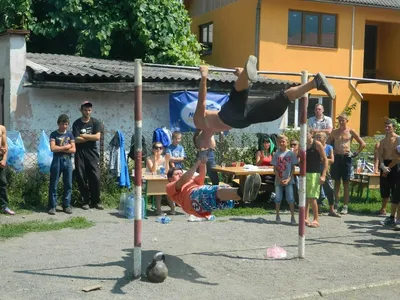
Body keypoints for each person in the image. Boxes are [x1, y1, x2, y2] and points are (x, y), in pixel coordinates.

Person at [194, 55, 336, 150]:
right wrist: (204, 77)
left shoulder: (210, 129)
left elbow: (237, 105)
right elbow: (201, 101)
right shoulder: (199, 123)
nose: (208, 146)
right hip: (230, 116)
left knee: (283, 98)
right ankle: (245, 76)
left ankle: (315, 82)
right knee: (237, 95)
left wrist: (242, 79)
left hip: (243, 120)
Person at [166, 155, 261, 219]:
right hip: (191, 200)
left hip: (200, 200)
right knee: (213, 191)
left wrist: (203, 164)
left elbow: (202, 176)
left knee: (225, 193)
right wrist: (197, 164)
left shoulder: (192, 180)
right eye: (176, 174)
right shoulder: (170, 186)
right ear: (170, 178)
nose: (180, 175)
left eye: (180, 173)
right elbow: (183, 179)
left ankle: (244, 194)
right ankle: (243, 190)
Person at [327, 113, 365, 215]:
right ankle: (336, 204)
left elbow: (363, 143)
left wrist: (354, 153)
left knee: (346, 183)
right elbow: (327, 143)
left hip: (347, 158)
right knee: (337, 183)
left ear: (346, 121)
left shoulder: (350, 131)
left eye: (343, 120)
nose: (341, 122)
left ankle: (345, 206)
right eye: (339, 120)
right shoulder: (335, 132)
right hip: (337, 158)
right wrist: (331, 152)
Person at [72, 101, 103, 210]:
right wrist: (90, 136)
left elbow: (97, 137)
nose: (87, 112)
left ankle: (96, 201)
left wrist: (84, 135)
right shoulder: (76, 123)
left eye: (89, 110)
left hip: (92, 153)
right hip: (80, 153)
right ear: (81, 110)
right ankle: (85, 201)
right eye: (85, 109)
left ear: (91, 110)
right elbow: (76, 139)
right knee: (81, 176)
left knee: (95, 177)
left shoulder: (95, 122)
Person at [48, 114, 76, 215]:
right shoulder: (53, 134)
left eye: (66, 124)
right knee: (54, 183)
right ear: (58, 124)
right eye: (62, 124)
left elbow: (73, 149)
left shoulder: (70, 135)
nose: (64, 126)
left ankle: (66, 205)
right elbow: (53, 148)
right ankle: (52, 206)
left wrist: (62, 148)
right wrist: (66, 147)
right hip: (57, 160)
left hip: (68, 161)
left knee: (68, 183)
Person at [378, 119, 400, 227]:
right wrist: (382, 166)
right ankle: (384, 210)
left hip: (395, 165)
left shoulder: (398, 139)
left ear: (394, 128)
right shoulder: (382, 141)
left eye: (389, 127)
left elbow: (397, 157)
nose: (387, 128)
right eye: (386, 127)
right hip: (385, 164)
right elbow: (380, 155)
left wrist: (389, 168)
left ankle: (395, 217)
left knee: (396, 191)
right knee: (384, 188)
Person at [271, 135, 298, 225]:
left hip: (289, 180)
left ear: (287, 142)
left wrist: (289, 179)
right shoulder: (276, 154)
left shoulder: (291, 153)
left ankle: (293, 217)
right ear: (278, 143)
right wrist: (280, 179)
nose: (282, 143)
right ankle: (277, 215)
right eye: (280, 142)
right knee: (278, 198)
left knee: (290, 199)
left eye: (283, 142)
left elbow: (293, 168)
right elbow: (274, 169)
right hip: (278, 180)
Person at [305, 131, 328, 228]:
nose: (304, 135)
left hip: (315, 173)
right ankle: (305, 218)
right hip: (304, 173)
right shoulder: (303, 145)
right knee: (305, 197)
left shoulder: (317, 144)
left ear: (311, 134)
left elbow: (325, 160)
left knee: (313, 198)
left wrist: (323, 175)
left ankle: (316, 219)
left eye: (306, 133)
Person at [147, 142, 175, 215]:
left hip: (162, 180)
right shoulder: (149, 159)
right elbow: (153, 171)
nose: (158, 149)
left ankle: (172, 208)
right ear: (153, 149)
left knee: (168, 190)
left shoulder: (163, 158)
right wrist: (156, 160)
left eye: (160, 148)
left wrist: (167, 161)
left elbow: (167, 171)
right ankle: (158, 210)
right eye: (156, 148)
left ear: (163, 149)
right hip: (150, 182)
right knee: (158, 191)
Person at [315, 132, 340, 217]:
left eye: (319, 137)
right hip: (316, 170)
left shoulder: (329, 147)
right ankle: (318, 209)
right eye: (317, 137)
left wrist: (324, 159)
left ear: (325, 139)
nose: (318, 138)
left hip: (326, 171)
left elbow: (332, 160)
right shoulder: (315, 147)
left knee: (330, 190)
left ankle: (331, 210)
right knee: (317, 190)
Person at [0, 125, 15, 215]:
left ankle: (4, 207)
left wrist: (4, 159)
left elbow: (5, 146)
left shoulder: (2, 128)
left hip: (0, 159)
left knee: (2, 183)